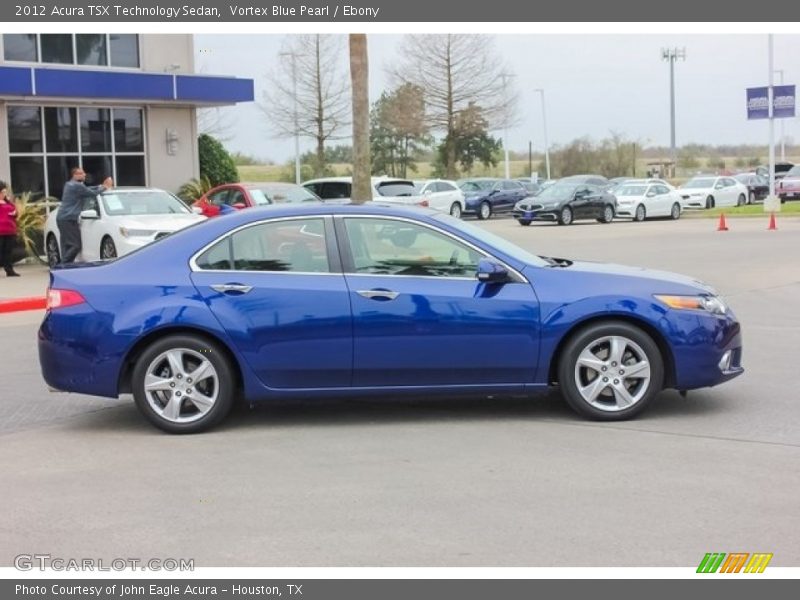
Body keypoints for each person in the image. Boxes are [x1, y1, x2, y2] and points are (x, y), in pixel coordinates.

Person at [57, 167, 113, 264]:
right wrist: (105, 187)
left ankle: (65, 267)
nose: (84, 175)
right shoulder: (76, 186)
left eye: (83, 173)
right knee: (75, 245)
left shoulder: (70, 184)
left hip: (64, 218)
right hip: (68, 218)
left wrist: (101, 186)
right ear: (74, 175)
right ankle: (62, 265)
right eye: (81, 173)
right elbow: (92, 193)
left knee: (68, 245)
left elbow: (87, 189)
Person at [0, 182, 20, 277]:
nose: (4, 194)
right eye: (3, 192)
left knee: (8, 251)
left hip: (10, 230)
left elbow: (15, 211)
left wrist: (15, 213)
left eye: (5, 192)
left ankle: (9, 270)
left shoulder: (8, 202)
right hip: (1, 230)